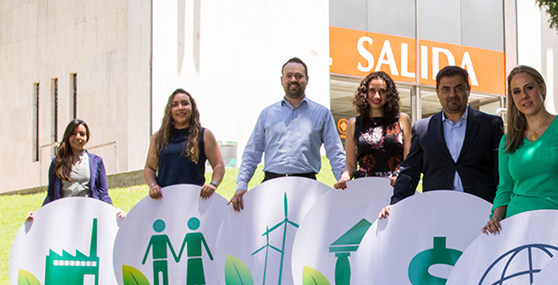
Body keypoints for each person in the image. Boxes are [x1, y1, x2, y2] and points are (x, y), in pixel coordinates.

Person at [382, 65, 504, 217]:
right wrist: (396, 203)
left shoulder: (490, 125)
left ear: (468, 89)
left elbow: (501, 172)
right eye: (446, 89)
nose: (452, 94)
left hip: (481, 211)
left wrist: (501, 207)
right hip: (437, 211)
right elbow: (409, 172)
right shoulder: (422, 129)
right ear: (437, 92)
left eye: (458, 88)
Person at [230, 57, 346, 212]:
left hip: (307, 185)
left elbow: (335, 152)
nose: (293, 79)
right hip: (271, 185)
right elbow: (252, 152)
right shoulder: (267, 114)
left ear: (307, 79)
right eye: (289, 75)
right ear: (281, 79)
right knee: (270, 234)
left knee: (305, 233)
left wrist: (344, 183)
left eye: (299, 76)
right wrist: (241, 185)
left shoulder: (322, 113)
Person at [483, 65, 558, 234]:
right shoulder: (508, 141)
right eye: (516, 91)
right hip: (517, 228)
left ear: (542, 88)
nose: (523, 96)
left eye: (529, 88)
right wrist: (496, 217)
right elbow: (505, 187)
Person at [28, 119, 124, 219]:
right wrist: (37, 215)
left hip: (89, 214)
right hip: (64, 215)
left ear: (87, 138)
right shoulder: (57, 162)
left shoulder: (96, 161)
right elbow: (51, 195)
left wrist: (112, 210)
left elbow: (102, 192)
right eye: (74, 134)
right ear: (68, 136)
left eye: (82, 134)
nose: (78, 137)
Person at [144, 88, 225, 199]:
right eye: (175, 104)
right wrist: (153, 185)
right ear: (170, 110)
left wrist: (213, 184)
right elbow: (149, 168)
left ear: (192, 108)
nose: (180, 108)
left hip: (195, 200)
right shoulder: (158, 137)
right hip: (165, 201)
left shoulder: (204, 135)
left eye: (185, 104)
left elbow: (218, 165)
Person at [335, 71, 412, 189]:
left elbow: (408, 162)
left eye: (382, 91)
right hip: (364, 188)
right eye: (372, 90)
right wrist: (344, 178)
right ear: (365, 93)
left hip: (394, 187)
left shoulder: (402, 120)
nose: (377, 96)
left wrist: (401, 178)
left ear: (389, 94)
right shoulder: (353, 124)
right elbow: (350, 165)